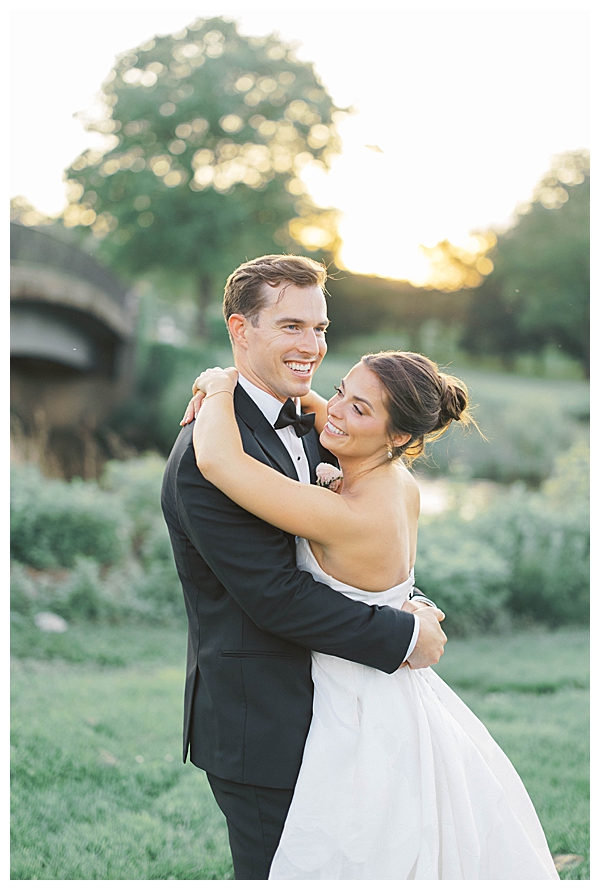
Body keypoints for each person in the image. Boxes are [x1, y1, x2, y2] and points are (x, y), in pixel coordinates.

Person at [185, 351, 560, 880]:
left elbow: (220, 463)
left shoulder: (352, 513)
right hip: (392, 685)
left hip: (355, 702)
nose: (335, 411)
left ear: (400, 437)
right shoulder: (398, 482)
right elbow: (316, 409)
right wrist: (317, 400)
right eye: (341, 389)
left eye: (360, 409)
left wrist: (217, 383)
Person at [161, 255, 447, 881]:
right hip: (264, 722)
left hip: (343, 711)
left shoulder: (326, 431)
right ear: (241, 329)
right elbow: (277, 596)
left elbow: (350, 555)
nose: (312, 346)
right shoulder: (205, 456)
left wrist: (404, 599)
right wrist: (403, 633)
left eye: (319, 328)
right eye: (292, 326)